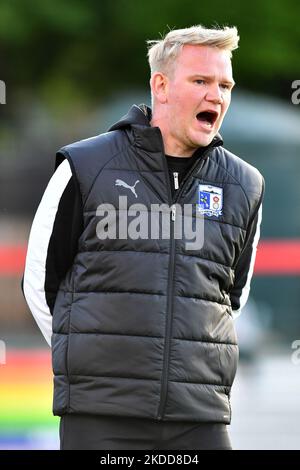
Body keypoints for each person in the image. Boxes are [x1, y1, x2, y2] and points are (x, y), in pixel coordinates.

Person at [22, 24, 265, 450]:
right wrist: (91, 357)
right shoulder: (85, 166)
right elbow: (41, 285)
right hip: (101, 415)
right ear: (161, 85)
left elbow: (231, 296)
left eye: (225, 84)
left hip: (200, 416)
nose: (217, 96)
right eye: (201, 81)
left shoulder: (244, 185)